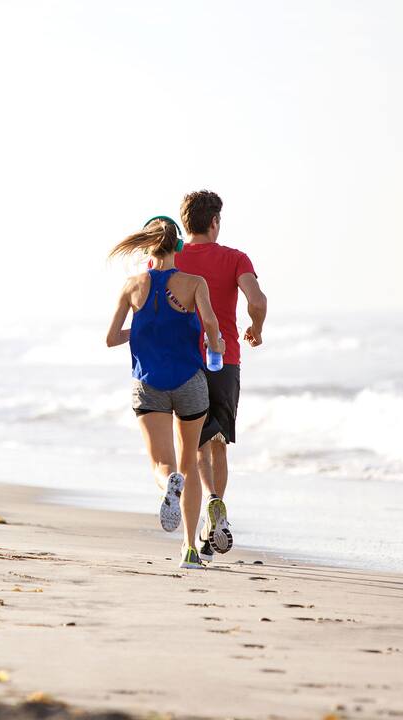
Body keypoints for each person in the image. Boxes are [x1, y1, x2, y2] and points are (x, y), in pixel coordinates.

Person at [106, 216, 225, 569]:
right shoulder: (194, 283)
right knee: (189, 464)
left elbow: (111, 338)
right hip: (189, 382)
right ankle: (190, 550)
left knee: (163, 465)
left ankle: (166, 484)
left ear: (147, 246)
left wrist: (142, 332)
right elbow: (212, 325)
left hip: (149, 384)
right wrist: (215, 345)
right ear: (178, 246)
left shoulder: (132, 286)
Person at [173, 190, 267, 563]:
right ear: (215, 222)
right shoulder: (235, 258)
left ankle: (201, 526)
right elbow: (257, 301)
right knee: (217, 443)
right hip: (224, 361)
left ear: (185, 222)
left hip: (184, 361)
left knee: (195, 445)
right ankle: (215, 509)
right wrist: (255, 328)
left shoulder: (172, 257)